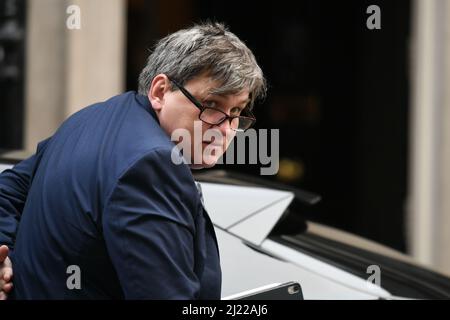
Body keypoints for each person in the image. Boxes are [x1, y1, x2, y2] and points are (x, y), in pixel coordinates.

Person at [0, 22, 266, 299]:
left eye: (236, 111)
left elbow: (7, 188)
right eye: (211, 105)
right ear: (160, 91)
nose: (226, 128)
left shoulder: (90, 118)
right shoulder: (153, 165)